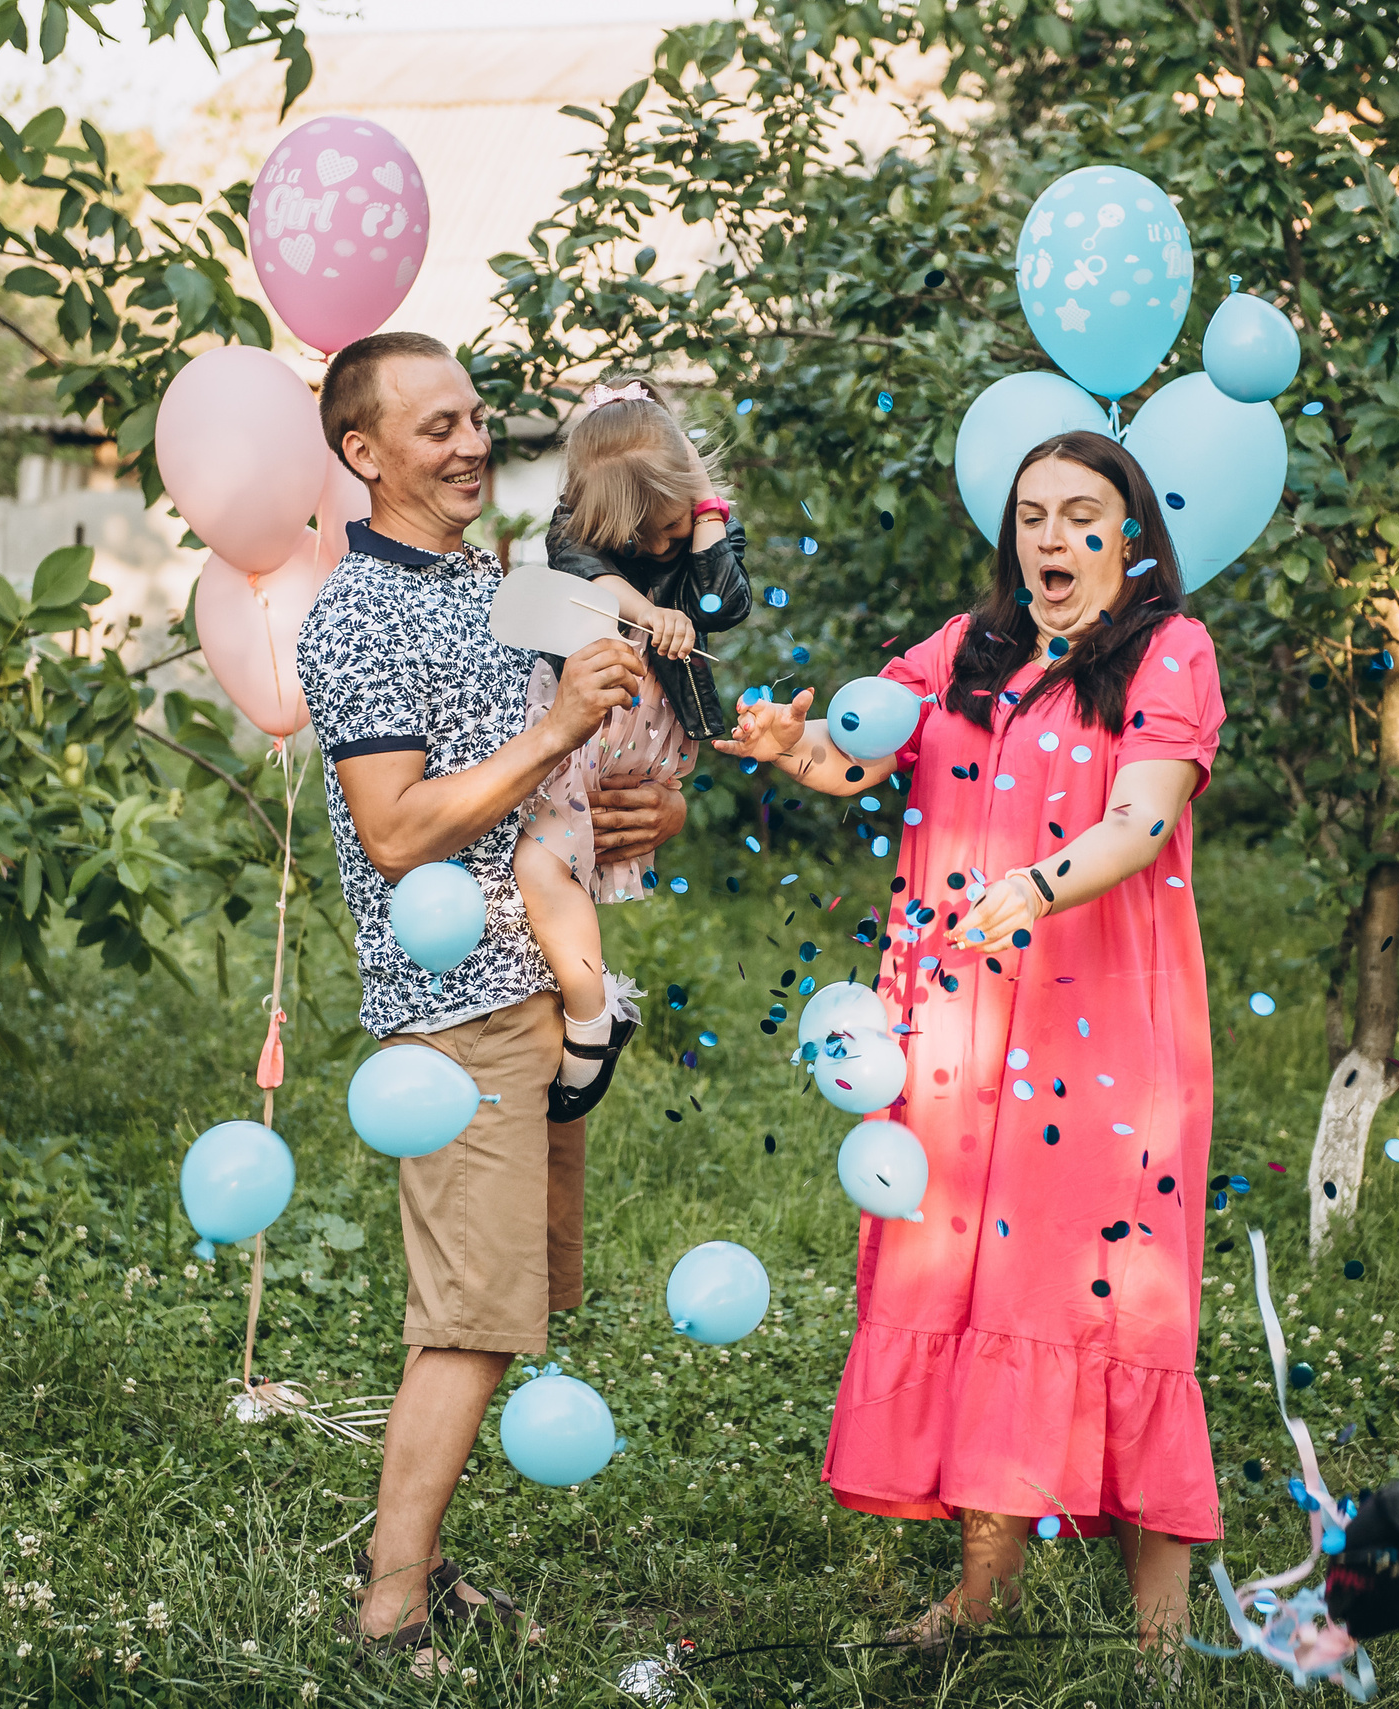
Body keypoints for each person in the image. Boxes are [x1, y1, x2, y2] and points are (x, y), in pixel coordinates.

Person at [715, 429, 1224, 1651]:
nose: (1051, 536)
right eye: (1030, 514)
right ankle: (978, 1597)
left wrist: (1037, 885)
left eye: (1080, 513)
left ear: (1130, 534)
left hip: (1098, 1030)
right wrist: (795, 749)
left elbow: (1142, 820)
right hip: (955, 1025)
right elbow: (855, 758)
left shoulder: (1170, 651)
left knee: (1110, 1296)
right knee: (984, 1284)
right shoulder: (963, 649)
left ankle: (1160, 1637)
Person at [294, 332, 689, 1668]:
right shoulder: (356, 616)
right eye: (437, 429)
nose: (472, 446)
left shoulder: (496, 583)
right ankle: (389, 1607)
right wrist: (557, 727)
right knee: (467, 1316)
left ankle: (419, 1561)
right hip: (453, 1003)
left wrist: (642, 808)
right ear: (363, 454)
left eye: (476, 419)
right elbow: (397, 829)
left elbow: (564, 786)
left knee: (508, 1304)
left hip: (538, 981)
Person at [514, 376, 752, 1120]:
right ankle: (593, 1014)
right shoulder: (575, 528)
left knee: (545, 861)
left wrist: (704, 507)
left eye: (668, 527)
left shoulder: (702, 520)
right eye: (637, 535)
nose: (655, 546)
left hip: (636, 735)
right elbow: (575, 563)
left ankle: (590, 1019)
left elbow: (724, 601)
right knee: (543, 865)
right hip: (584, 719)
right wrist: (647, 609)